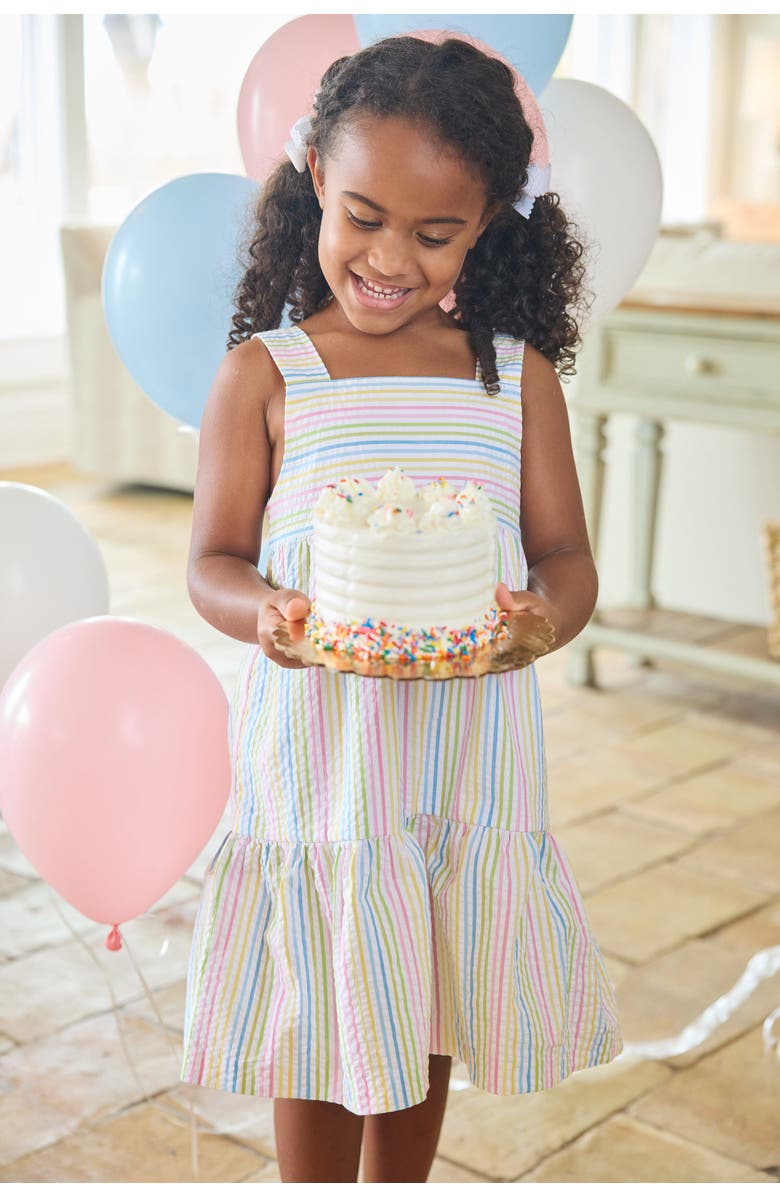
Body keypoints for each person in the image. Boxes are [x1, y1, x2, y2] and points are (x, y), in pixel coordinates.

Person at [180, 34, 624, 1184]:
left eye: (435, 235)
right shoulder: (267, 375)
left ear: (487, 226)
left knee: (419, 972)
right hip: (325, 759)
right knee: (329, 988)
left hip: (463, 760)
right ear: (317, 181)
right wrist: (267, 609)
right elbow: (213, 560)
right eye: (365, 216)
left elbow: (567, 554)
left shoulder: (510, 373)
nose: (389, 258)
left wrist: (545, 617)